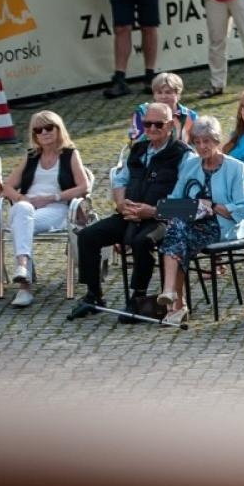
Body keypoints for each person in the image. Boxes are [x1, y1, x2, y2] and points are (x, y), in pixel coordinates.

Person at [69, 103, 191, 322]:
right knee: (88, 236)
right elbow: (120, 180)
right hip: (130, 214)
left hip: (162, 218)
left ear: (171, 125)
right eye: (147, 124)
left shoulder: (183, 155)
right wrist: (120, 203)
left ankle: (138, 298)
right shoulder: (138, 149)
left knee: (142, 241)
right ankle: (93, 295)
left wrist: (153, 211)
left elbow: (187, 200)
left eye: (158, 124)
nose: (152, 128)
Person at [151, 114, 244, 326]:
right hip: (190, 222)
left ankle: (175, 301)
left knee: (176, 235)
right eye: (197, 142)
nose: (201, 147)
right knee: (176, 231)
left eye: (206, 141)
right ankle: (174, 299)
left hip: (221, 224)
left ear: (217, 141)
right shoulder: (190, 165)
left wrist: (212, 207)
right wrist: (181, 208)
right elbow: (175, 197)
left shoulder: (235, 167)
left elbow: (241, 208)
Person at [1, 111, 92, 309]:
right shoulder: (32, 156)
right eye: (38, 130)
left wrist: (52, 197)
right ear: (34, 135)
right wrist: (20, 197)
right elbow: (7, 186)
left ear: (58, 129)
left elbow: (83, 187)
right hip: (27, 210)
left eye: (49, 128)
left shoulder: (69, 154)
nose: (44, 133)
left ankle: (24, 286)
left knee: (20, 220)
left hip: (57, 209)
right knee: (22, 210)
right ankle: (23, 268)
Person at [129, 72, 199, 142]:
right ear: (154, 95)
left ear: (178, 95)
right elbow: (135, 140)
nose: (163, 96)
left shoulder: (190, 116)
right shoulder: (142, 112)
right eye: (159, 92)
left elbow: (198, 142)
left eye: (168, 92)